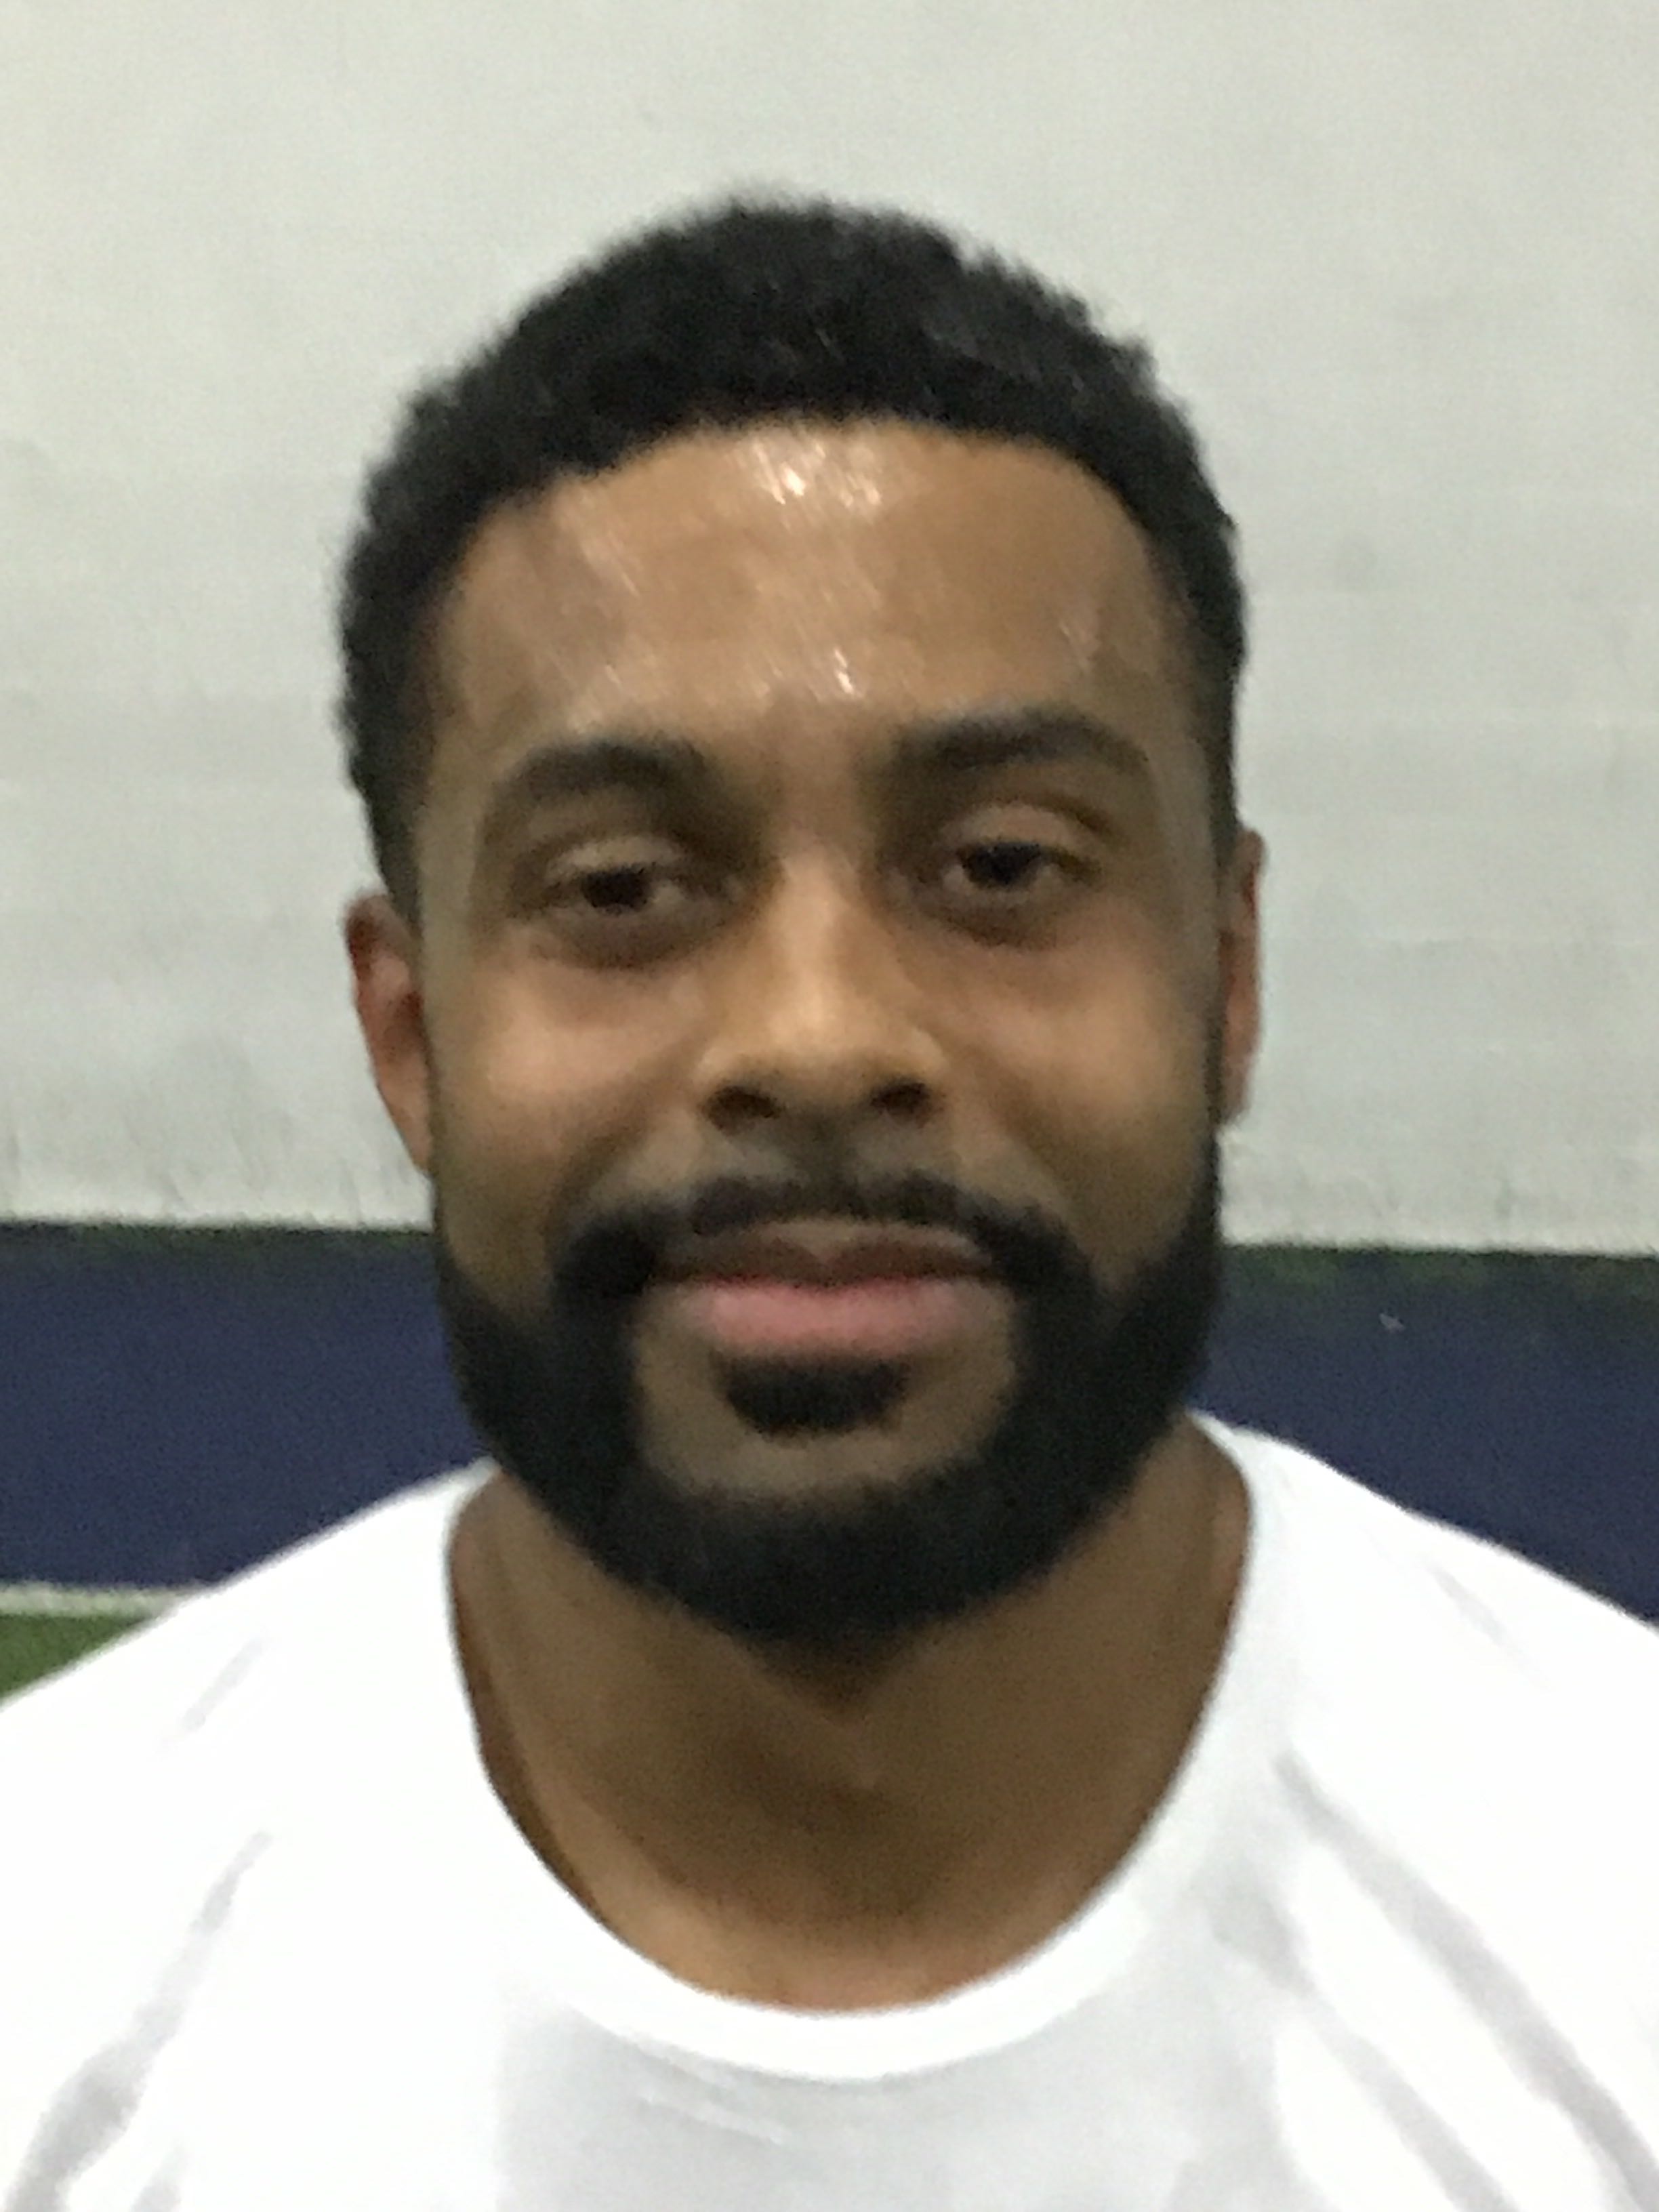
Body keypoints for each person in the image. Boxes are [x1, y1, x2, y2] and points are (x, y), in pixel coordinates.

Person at [2, 194, 1656, 2210]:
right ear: (411, 1031)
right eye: (623, 888)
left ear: (1225, 977)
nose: (819, 1036)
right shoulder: (53, 1965)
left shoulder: (1614, 1908)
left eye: (1003, 867)